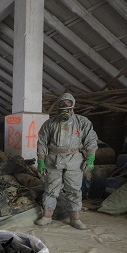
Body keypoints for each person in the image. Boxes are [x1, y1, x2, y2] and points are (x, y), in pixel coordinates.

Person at [35, 92, 98, 230]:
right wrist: (40, 161)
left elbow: (91, 140)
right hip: (53, 160)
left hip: (74, 160)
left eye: (68, 107)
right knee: (51, 188)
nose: (65, 110)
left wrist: (91, 158)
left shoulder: (82, 122)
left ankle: (75, 218)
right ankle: (47, 216)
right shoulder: (49, 124)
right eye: (62, 107)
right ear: (58, 108)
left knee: (74, 190)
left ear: (73, 107)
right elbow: (41, 143)